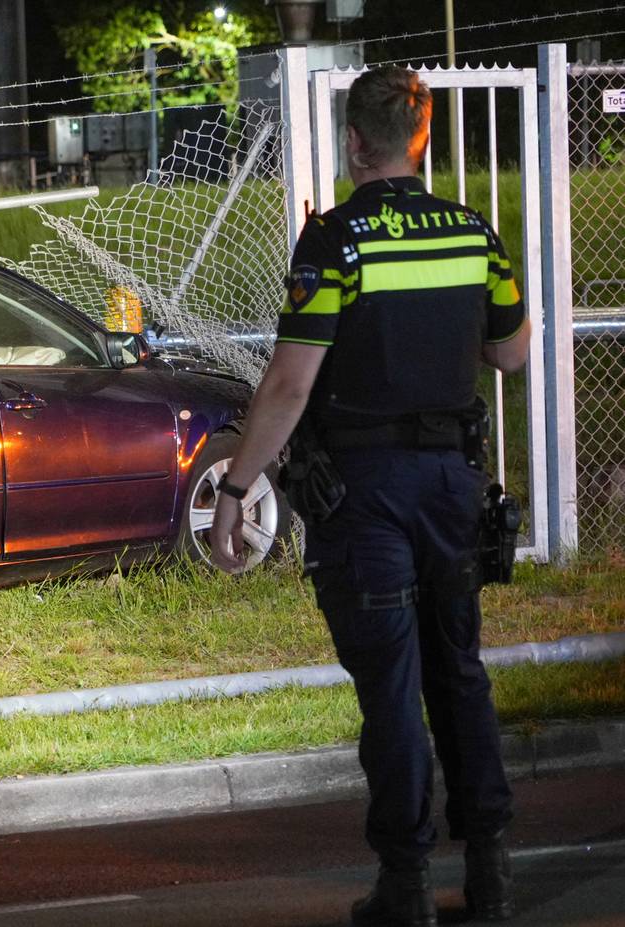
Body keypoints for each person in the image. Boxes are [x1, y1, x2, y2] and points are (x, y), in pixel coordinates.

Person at [207, 66, 531, 927]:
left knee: (391, 686)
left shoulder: (336, 242)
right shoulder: (474, 235)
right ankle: (493, 871)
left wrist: (238, 487)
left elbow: (287, 385)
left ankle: (408, 882)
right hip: (454, 489)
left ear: (356, 141)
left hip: (369, 494)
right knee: (459, 671)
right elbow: (512, 352)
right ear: (419, 140)